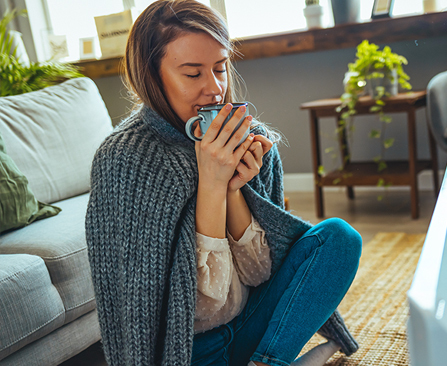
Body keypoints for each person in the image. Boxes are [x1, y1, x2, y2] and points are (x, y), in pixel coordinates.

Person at [84, 1, 362, 365]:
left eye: (220, 68)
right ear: (153, 76)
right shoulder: (125, 159)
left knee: (340, 239)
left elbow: (261, 273)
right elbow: (201, 304)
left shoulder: (250, 138)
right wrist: (212, 184)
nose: (214, 88)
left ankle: (268, 361)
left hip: (248, 328)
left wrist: (234, 188)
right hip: (188, 351)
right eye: (193, 73)